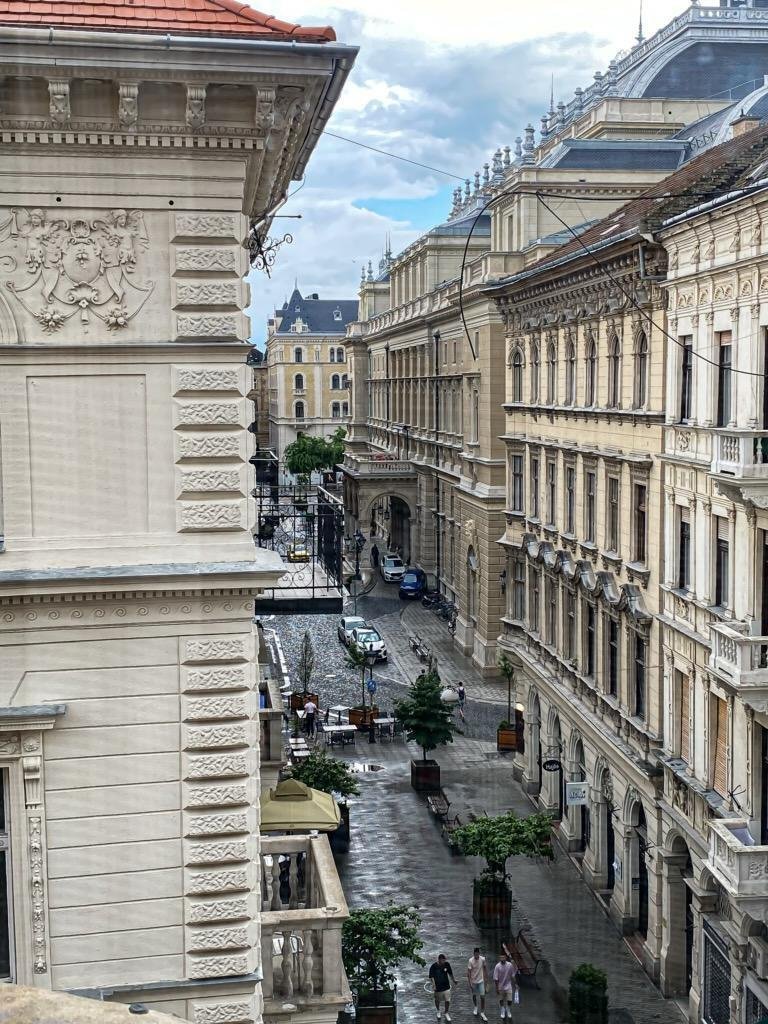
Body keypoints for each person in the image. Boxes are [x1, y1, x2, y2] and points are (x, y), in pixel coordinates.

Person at [428, 953, 456, 1022]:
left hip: (446, 986)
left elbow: (450, 973)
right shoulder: (433, 966)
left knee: (447, 1000)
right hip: (438, 988)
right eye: (443, 960)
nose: (444, 962)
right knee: (437, 1000)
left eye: (444, 960)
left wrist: (454, 980)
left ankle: (446, 1012)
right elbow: (431, 977)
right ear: (439, 959)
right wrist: (434, 985)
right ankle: (438, 1010)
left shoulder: (447, 964)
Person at [493, 950, 518, 1020]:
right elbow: (495, 978)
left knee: (510, 1000)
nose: (502, 959)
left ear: (506, 958)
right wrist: (497, 988)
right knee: (501, 1000)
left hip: (508, 985)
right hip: (500, 986)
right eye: (501, 957)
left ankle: (508, 1009)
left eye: (503, 957)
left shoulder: (509, 965)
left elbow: (513, 974)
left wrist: (515, 983)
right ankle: (502, 1010)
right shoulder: (497, 966)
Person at [467, 947, 488, 1020]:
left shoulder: (482, 959)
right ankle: (475, 1006)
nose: (476, 955)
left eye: (478, 954)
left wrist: (486, 980)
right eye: (475, 954)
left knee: (482, 996)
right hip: (473, 981)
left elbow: (485, 969)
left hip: (481, 981)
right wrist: (470, 983)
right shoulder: (470, 961)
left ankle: (482, 1011)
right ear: (474, 954)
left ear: (479, 953)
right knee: (474, 995)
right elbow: (468, 973)